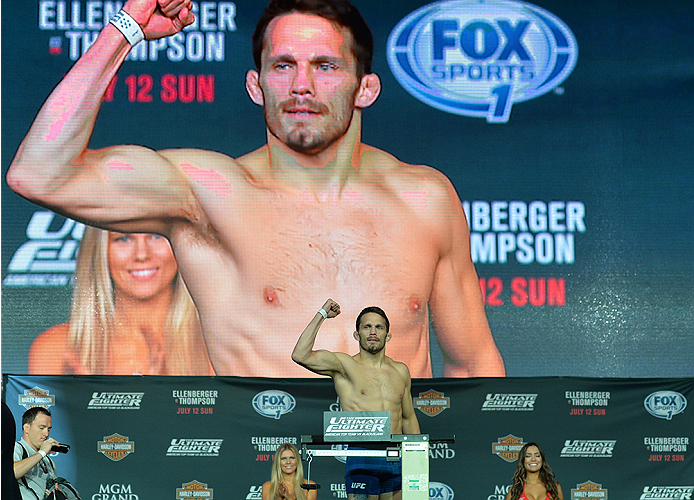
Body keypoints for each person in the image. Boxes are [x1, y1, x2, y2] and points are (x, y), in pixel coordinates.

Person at [6, 0, 505, 378]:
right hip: (265, 473)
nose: (301, 85)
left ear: (366, 88)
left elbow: (474, 364)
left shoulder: (424, 199)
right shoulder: (209, 194)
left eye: (325, 66)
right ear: (256, 85)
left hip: (392, 476)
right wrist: (126, 28)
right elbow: (39, 172)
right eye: (283, 66)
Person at [28, 227, 213, 375]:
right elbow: (36, 421)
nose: (142, 254)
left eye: (157, 236)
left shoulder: (214, 347)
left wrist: (160, 397)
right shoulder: (55, 349)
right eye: (123, 239)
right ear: (99, 251)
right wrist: (81, 403)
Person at [292, 298, 419, 499]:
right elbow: (300, 355)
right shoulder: (345, 365)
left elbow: (408, 419)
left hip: (396, 454)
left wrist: (417, 462)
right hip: (362, 454)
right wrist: (322, 314)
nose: (373, 332)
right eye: (367, 327)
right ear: (356, 334)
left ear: (388, 335)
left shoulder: (400, 371)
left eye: (379, 327)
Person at [13, 408, 61, 500]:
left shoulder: (48, 461)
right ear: (27, 428)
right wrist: (42, 453)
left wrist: (56, 493)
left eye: (49, 429)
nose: (46, 434)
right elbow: (12, 472)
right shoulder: (16, 448)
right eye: (41, 428)